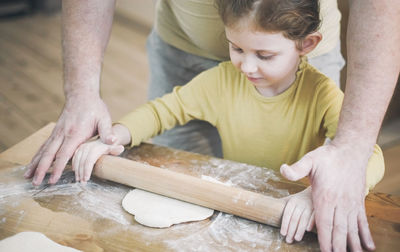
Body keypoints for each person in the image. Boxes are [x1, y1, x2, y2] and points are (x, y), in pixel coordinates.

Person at [24, 0, 400, 251]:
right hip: (241, 209)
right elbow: (162, 111)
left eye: (264, 55)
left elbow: (367, 156)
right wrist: (114, 135)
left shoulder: (322, 95)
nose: (247, 67)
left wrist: (311, 194)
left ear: (307, 44)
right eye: (236, 48)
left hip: (295, 214)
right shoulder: (223, 79)